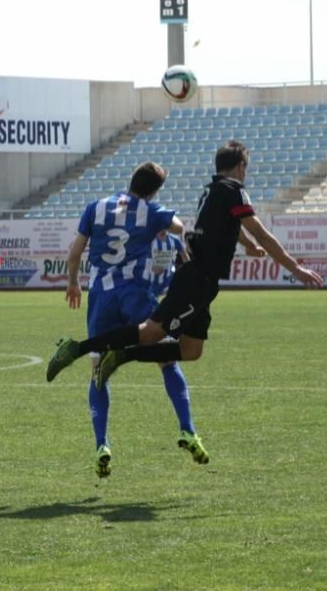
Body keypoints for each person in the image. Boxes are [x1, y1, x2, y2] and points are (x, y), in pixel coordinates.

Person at [47, 140, 324, 463]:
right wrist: (295, 268)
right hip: (178, 284)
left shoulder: (209, 191)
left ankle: (107, 426)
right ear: (240, 167)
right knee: (153, 338)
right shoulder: (215, 195)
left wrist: (72, 284)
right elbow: (237, 231)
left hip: (133, 290)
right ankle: (82, 350)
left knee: (188, 350)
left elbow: (75, 252)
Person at [47, 161, 198, 478]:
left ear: (131, 181)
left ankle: (102, 443)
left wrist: (73, 283)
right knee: (167, 358)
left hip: (101, 298)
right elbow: (181, 227)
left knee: (98, 369)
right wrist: (163, 226)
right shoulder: (151, 211)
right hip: (136, 297)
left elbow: (74, 254)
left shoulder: (96, 207)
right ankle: (187, 429)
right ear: (155, 190)